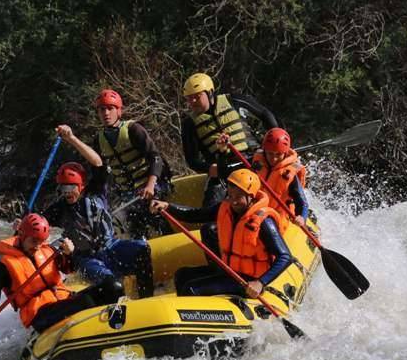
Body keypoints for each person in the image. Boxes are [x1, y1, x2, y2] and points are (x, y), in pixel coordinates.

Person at [149, 169, 292, 298]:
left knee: (191, 289)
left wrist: (260, 283)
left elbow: (285, 257)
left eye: (239, 197)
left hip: (247, 281)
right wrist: (168, 207)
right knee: (182, 275)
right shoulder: (227, 207)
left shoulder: (264, 223)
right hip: (230, 271)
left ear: (251, 197)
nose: (234, 201)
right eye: (230, 195)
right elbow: (196, 215)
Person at [0, 213, 124, 335]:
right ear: (22, 235)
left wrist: (70, 253)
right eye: (34, 241)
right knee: (87, 302)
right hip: (39, 315)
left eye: (41, 241)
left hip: (63, 300)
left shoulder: (48, 251)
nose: (38, 246)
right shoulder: (5, 264)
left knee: (113, 287)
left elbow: (70, 268)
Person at [39, 152, 155, 298]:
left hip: (111, 246)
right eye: (62, 189)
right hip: (85, 259)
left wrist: (70, 138)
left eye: (70, 188)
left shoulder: (96, 191)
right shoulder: (59, 208)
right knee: (113, 284)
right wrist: (23, 224)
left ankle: (147, 299)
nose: (66, 193)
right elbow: (37, 224)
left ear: (81, 185)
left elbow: (97, 162)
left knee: (142, 249)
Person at [180, 72, 280, 207]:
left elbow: (265, 114)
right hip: (224, 170)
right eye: (189, 98)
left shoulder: (234, 100)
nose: (192, 102)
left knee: (279, 184)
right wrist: (210, 168)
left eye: (197, 97)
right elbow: (192, 161)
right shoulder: (189, 124)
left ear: (210, 93)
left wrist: (275, 144)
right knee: (212, 203)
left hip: (253, 159)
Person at [84, 88, 172, 239]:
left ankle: (170, 238)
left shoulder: (133, 129)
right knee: (133, 226)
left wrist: (150, 185)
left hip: (153, 186)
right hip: (129, 195)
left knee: (156, 217)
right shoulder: (99, 140)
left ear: (119, 111)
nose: (106, 113)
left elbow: (155, 158)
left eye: (110, 108)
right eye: (102, 109)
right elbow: (100, 176)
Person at [247, 127, 309, 227]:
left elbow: (302, 202)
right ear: (264, 151)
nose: (274, 158)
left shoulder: (290, 174)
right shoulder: (256, 160)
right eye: (270, 153)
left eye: (278, 154)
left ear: (285, 153)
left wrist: (302, 217)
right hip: (252, 210)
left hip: (275, 218)